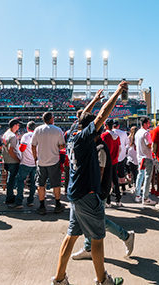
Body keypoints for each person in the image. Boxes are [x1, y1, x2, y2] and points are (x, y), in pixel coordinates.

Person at [51, 83, 128, 285]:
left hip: (75, 193)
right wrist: (117, 93)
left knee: (71, 235)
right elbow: (101, 115)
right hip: (87, 194)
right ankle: (103, 280)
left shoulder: (72, 134)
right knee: (97, 238)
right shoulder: (85, 138)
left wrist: (93, 100)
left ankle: (59, 279)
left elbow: (84, 116)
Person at [70, 122, 135, 261]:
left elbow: (99, 171)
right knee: (94, 220)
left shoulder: (100, 147)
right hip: (97, 189)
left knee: (99, 221)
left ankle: (126, 236)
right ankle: (88, 247)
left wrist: (94, 190)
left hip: (99, 190)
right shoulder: (98, 144)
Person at [32, 112, 66, 215]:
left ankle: (42, 206)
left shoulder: (38, 130)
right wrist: (56, 147)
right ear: (51, 119)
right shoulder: (57, 130)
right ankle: (58, 205)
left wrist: (35, 158)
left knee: (40, 184)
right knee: (56, 184)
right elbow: (62, 146)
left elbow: (33, 145)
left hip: (41, 161)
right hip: (54, 161)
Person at [11, 121, 37, 209]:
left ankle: (19, 202)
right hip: (35, 163)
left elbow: (22, 149)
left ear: (27, 128)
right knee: (33, 182)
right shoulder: (38, 135)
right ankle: (30, 201)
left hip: (25, 163)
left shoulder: (26, 136)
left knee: (20, 181)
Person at [133, 117, 156, 206]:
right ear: (145, 124)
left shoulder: (138, 132)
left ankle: (138, 195)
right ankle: (145, 197)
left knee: (140, 176)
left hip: (140, 157)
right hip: (146, 157)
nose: (149, 124)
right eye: (149, 123)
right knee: (147, 177)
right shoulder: (146, 133)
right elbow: (150, 145)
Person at [101, 119, 121, 207]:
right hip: (115, 160)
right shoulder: (117, 136)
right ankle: (118, 200)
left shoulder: (104, 136)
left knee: (107, 181)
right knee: (115, 180)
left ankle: (108, 201)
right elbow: (120, 149)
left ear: (106, 126)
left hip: (107, 161)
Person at [2, 118, 22, 205]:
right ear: (15, 126)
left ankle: (9, 195)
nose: (19, 127)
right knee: (12, 180)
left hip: (6, 160)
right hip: (12, 161)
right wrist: (18, 160)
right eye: (18, 125)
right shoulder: (12, 136)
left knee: (10, 180)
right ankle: (10, 197)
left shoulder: (5, 134)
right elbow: (11, 150)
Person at [113, 120, 129, 194]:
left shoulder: (109, 133)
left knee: (113, 174)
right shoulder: (123, 133)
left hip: (113, 156)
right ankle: (123, 189)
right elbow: (127, 144)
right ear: (118, 125)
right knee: (121, 173)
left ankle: (114, 190)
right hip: (121, 156)